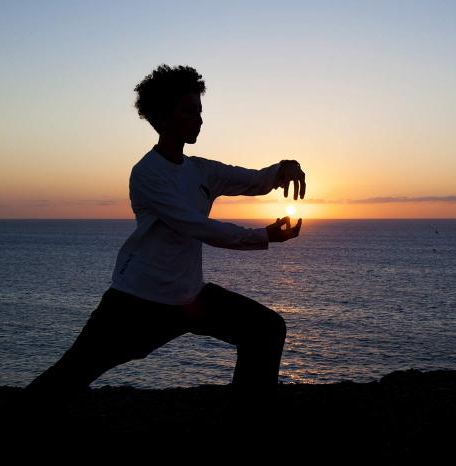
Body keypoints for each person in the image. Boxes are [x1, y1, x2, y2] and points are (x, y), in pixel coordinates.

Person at [24, 64, 306, 427]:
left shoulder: (200, 170)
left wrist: (285, 168)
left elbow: (253, 180)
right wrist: (263, 235)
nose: (199, 120)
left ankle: (250, 424)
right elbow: (194, 225)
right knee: (72, 374)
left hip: (189, 297)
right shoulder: (147, 174)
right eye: (189, 111)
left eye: (200, 111)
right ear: (162, 116)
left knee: (266, 329)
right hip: (138, 300)